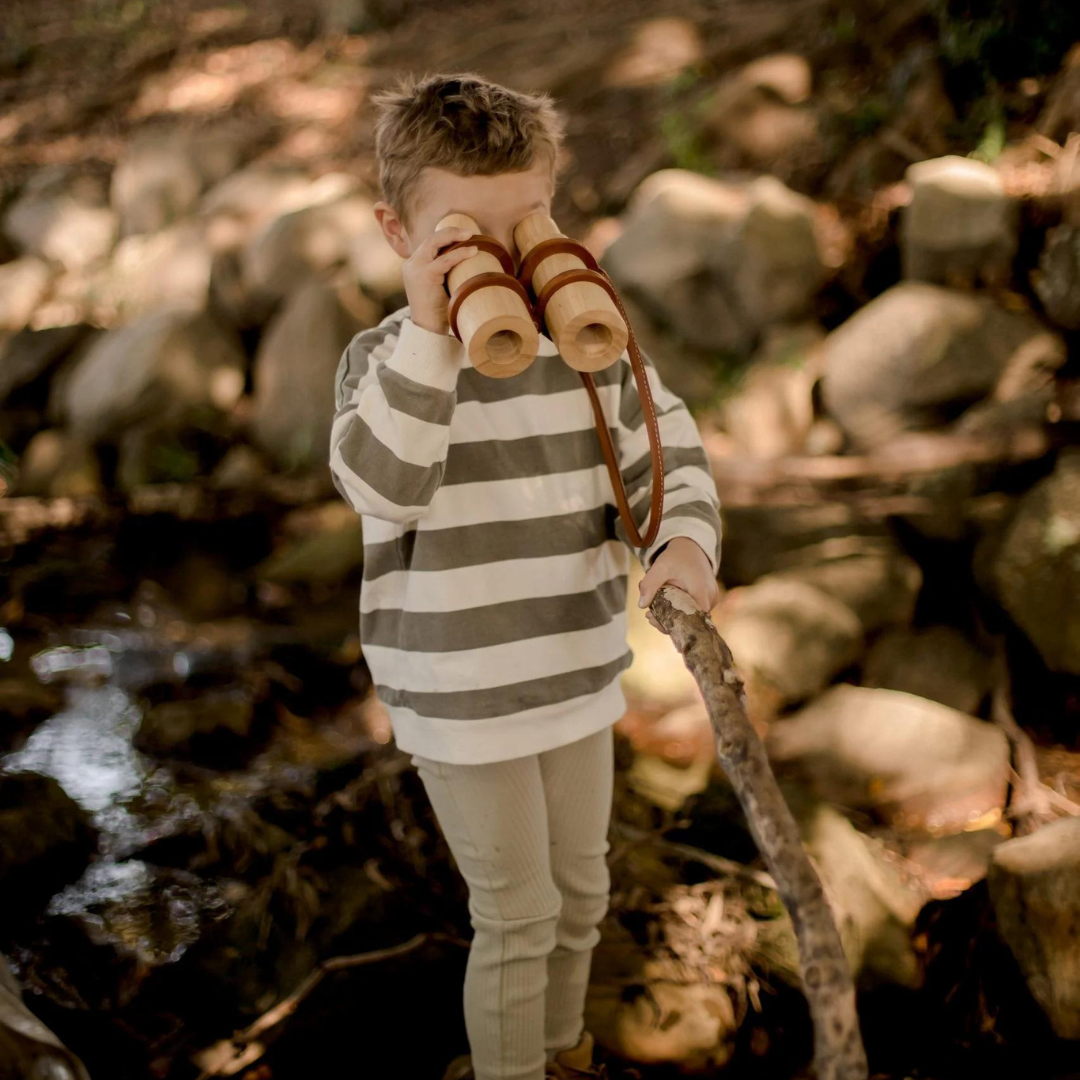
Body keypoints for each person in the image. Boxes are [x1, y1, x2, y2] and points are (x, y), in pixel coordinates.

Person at [328, 71, 723, 1080]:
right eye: (470, 238)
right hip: (459, 693)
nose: (510, 264)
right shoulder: (384, 363)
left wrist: (682, 542)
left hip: (575, 670)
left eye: (530, 227)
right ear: (398, 234)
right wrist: (432, 330)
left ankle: (560, 1055)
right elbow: (383, 487)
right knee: (518, 913)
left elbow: (666, 452)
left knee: (582, 894)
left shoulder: (586, 347)